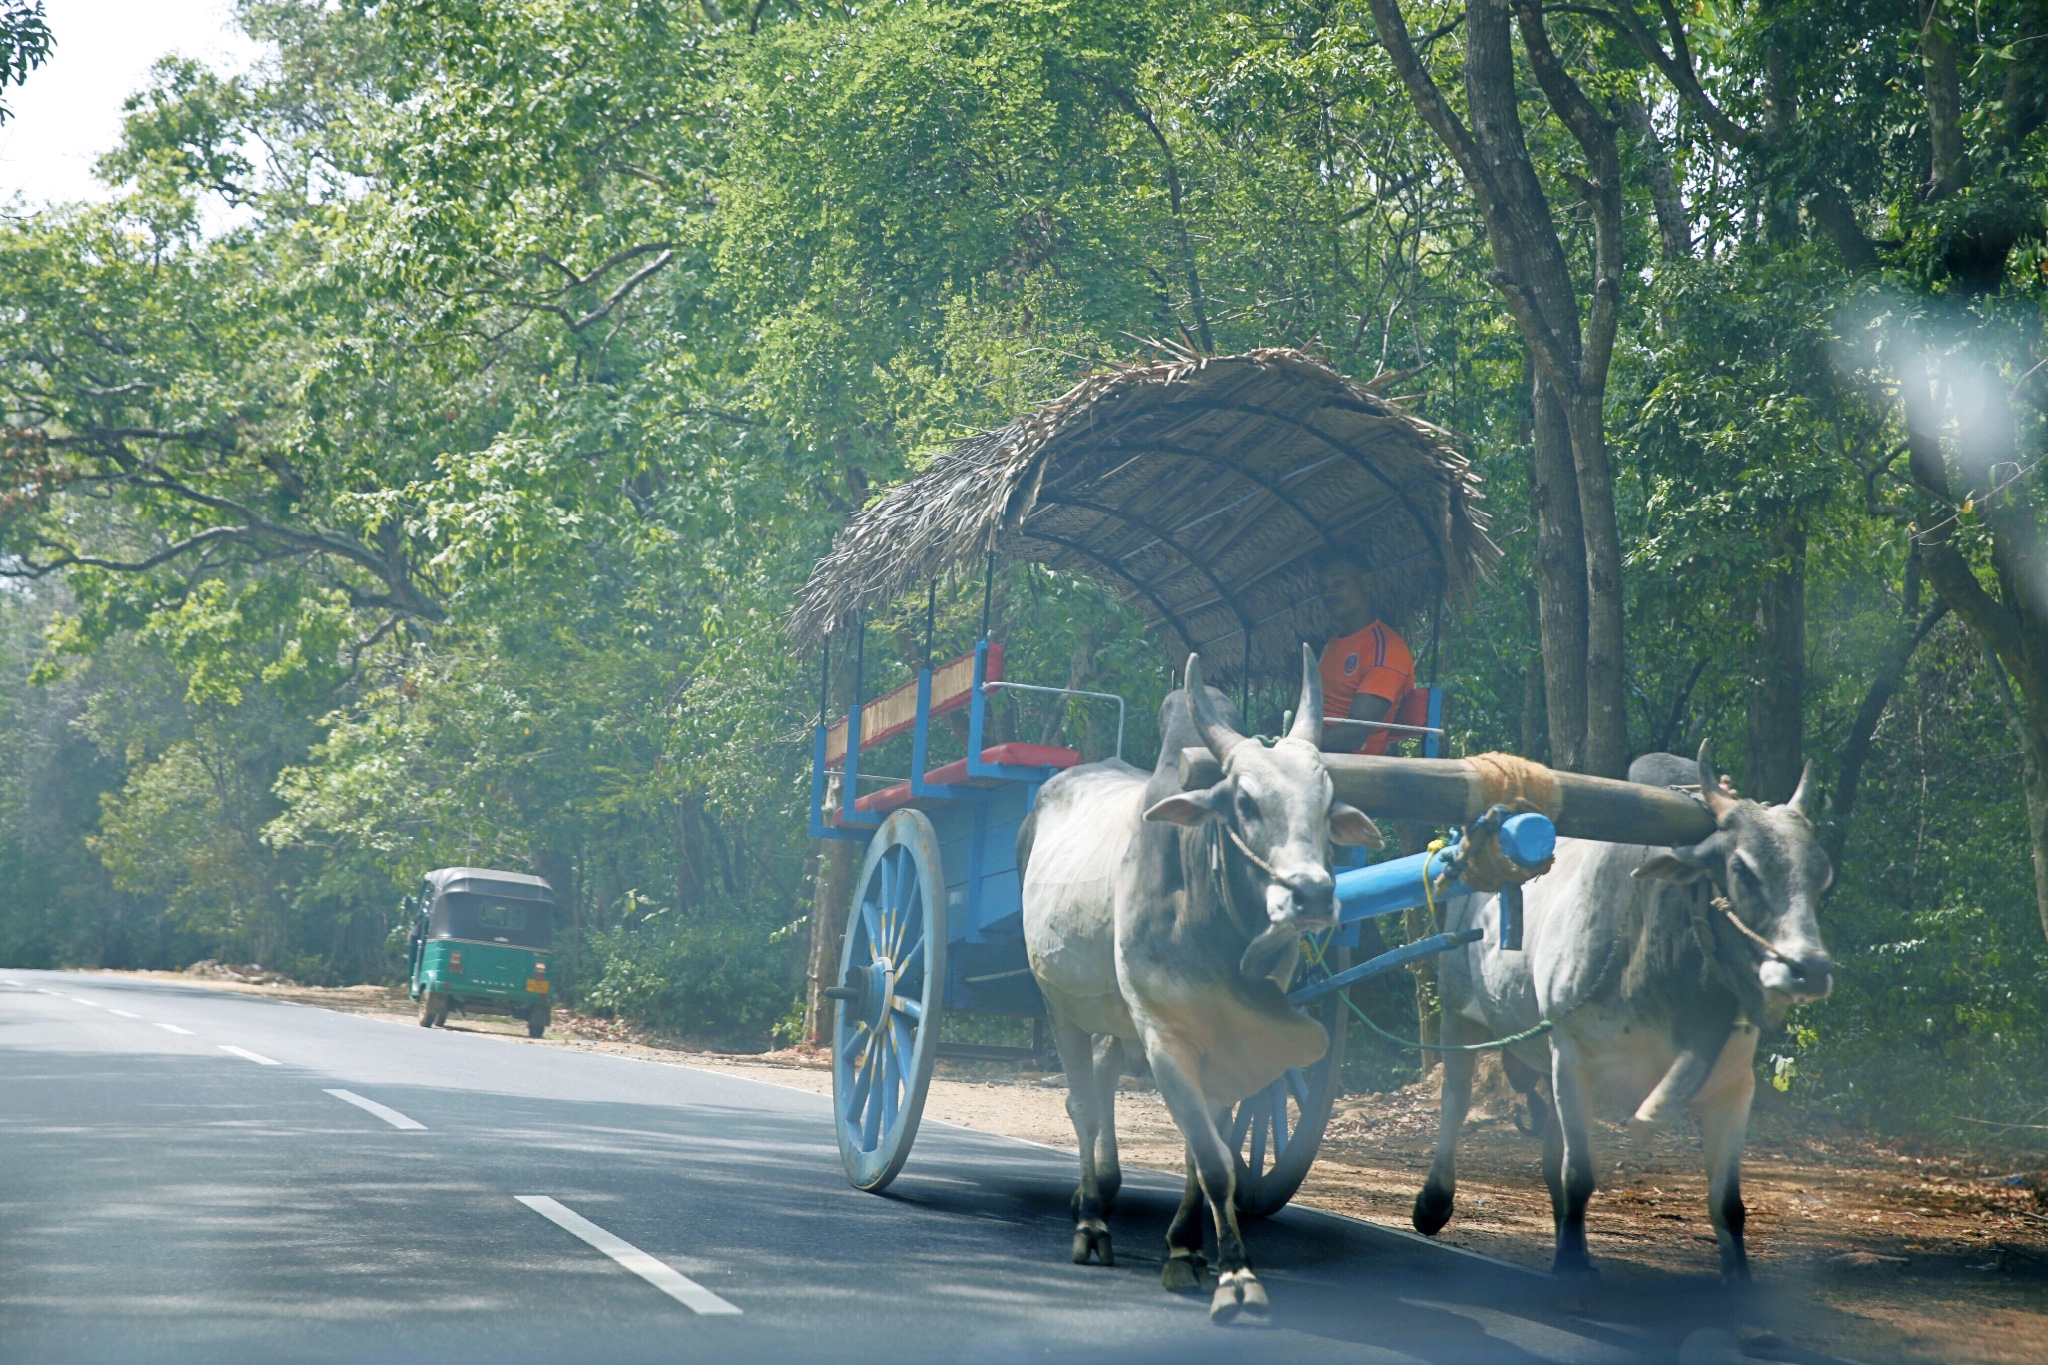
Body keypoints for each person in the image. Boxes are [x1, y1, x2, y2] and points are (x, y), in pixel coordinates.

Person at [1317, 554, 1415, 754]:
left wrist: (1293, 742)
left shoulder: (1386, 649)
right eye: (1324, 588)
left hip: (1352, 767)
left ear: (1366, 584)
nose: (1329, 593)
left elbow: (1355, 733)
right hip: (1314, 755)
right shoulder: (1333, 643)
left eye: (1338, 584)